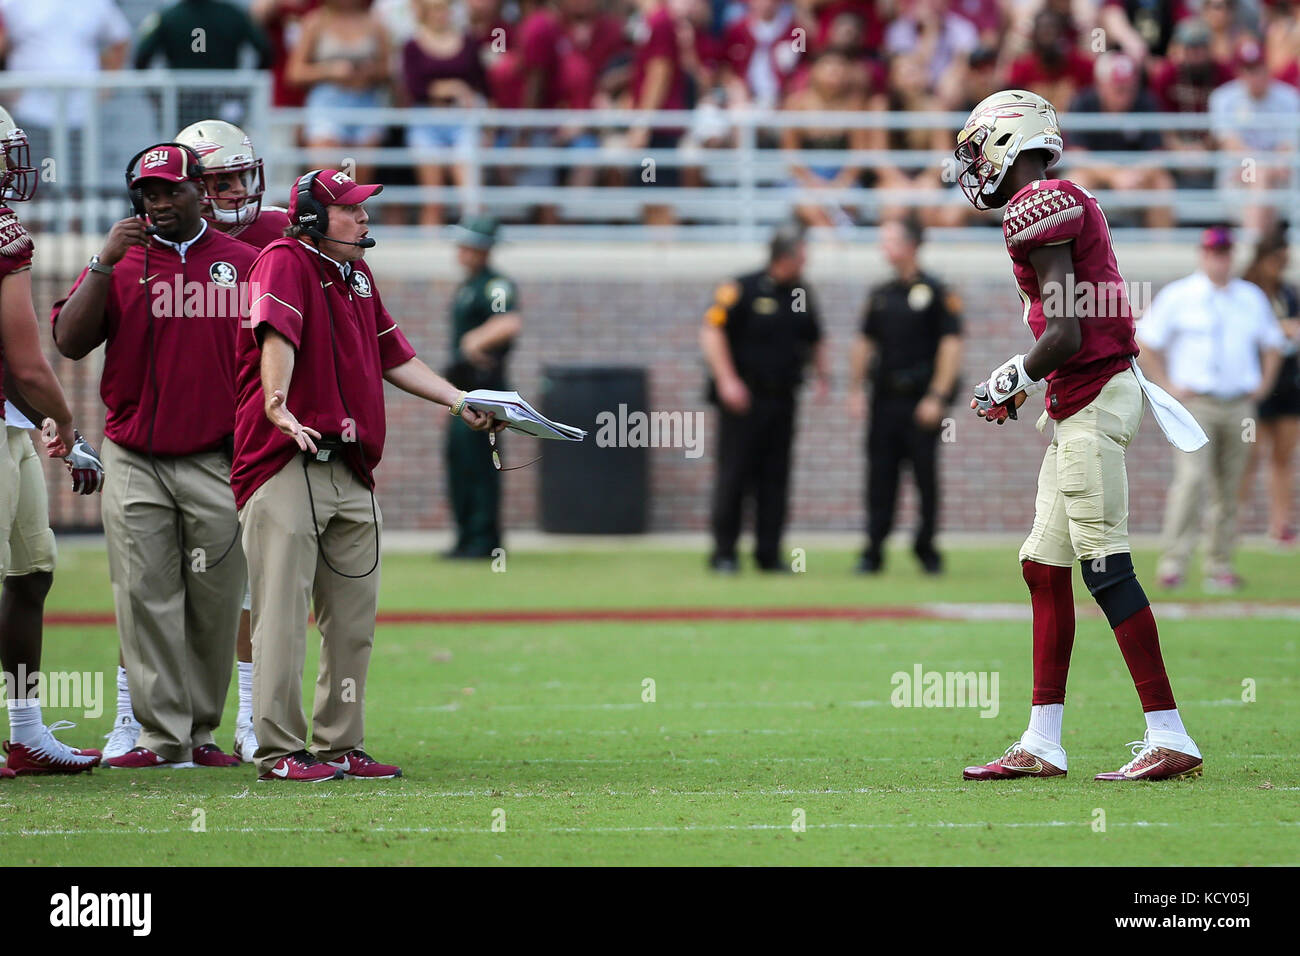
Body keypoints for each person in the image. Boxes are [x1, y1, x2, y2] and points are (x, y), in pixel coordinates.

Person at [954, 89, 1209, 782]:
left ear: (1011, 142)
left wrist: (1009, 379)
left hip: (1094, 397)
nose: (976, 165)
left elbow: (1064, 332)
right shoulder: (1058, 200)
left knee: (1105, 566)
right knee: (1044, 565)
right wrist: (1029, 382)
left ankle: (1169, 731)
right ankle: (1043, 741)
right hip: (1082, 397)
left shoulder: (1038, 205)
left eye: (980, 150)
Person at [234, 168, 500, 782]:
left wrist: (459, 400)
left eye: (361, 209)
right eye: (349, 209)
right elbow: (277, 333)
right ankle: (277, 751)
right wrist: (277, 403)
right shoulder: (284, 260)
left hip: (350, 466)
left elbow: (394, 355)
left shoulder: (356, 272)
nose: (362, 217)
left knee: (352, 622)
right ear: (311, 215)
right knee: (280, 616)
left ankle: (338, 743)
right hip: (287, 461)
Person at [51, 143, 255, 770]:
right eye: (149, 193)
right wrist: (102, 263)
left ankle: (200, 733)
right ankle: (158, 738)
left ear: (201, 191)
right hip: (135, 454)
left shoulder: (245, 263)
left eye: (171, 190)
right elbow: (68, 340)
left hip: (217, 457)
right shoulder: (121, 259)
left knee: (216, 600)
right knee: (145, 596)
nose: (159, 203)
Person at [175, 117, 293, 762]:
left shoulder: (279, 232)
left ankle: (250, 715)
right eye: (216, 181)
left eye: (238, 176)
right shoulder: (157, 240)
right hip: (182, 435)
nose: (232, 192)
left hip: (255, 435)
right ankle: (146, 722)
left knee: (256, 586)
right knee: (160, 585)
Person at [0, 106, 106, 777]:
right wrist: (67, 425)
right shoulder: (3, 233)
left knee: (31, 571)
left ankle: (26, 731)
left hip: (7, 421)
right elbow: (29, 358)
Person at [1139, 226, 1285, 591]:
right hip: (1197, 404)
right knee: (1191, 480)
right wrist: (1168, 385)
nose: (1220, 260)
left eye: (1225, 253)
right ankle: (1174, 562)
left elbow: (1272, 343)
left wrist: (1263, 385)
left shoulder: (1249, 297)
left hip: (1239, 404)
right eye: (1214, 253)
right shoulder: (1180, 295)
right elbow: (1146, 340)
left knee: (1231, 485)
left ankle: (1219, 564)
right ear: (1203, 256)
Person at [700, 223, 829, 574]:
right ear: (785, 256)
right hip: (743, 400)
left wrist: (822, 377)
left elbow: (816, 337)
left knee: (775, 478)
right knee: (735, 475)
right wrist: (728, 381)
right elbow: (712, 331)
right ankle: (724, 553)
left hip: (782, 398)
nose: (806, 262)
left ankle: (768, 554)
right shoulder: (741, 287)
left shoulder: (801, 293)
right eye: (802, 255)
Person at [849, 216, 963, 575]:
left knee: (925, 478)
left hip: (921, 402)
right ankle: (873, 549)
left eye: (890, 240)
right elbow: (864, 343)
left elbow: (951, 346)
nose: (884, 247)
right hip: (884, 401)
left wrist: (937, 396)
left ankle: (926, 547)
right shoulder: (880, 295)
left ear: (911, 245)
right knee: (880, 476)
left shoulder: (938, 292)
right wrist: (855, 388)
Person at [443, 215, 521, 559]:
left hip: (485, 391)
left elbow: (508, 320)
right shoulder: (468, 285)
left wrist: (475, 340)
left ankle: (483, 540)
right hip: (464, 391)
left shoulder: (496, 284)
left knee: (479, 463)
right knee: (459, 460)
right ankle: (464, 536)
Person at [1240, 228, 1300, 548]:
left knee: (1283, 455)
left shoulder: (1288, 293)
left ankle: (1280, 524)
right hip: (1255, 385)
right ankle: (1233, 520)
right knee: (1247, 454)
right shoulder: (1247, 291)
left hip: (1287, 383)